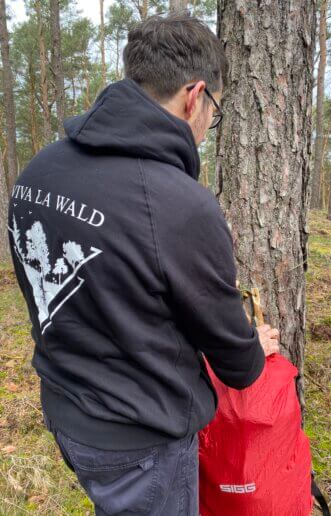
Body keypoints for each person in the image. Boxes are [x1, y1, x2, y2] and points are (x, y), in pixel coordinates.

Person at [7, 10, 279, 516]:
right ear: (195, 96)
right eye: (214, 112)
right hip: (141, 442)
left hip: (66, 409)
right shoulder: (179, 205)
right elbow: (237, 364)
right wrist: (253, 348)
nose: (208, 128)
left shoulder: (39, 170)